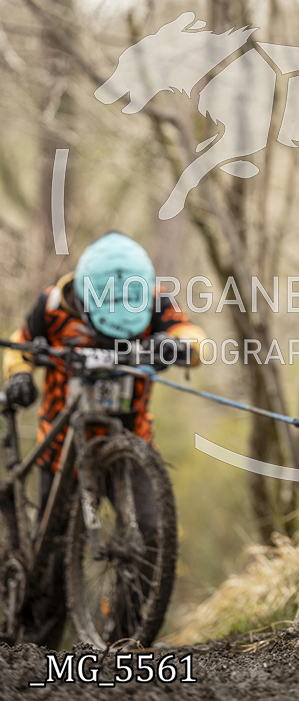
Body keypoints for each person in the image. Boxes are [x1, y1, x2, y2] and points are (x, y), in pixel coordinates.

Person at [1, 231, 206, 645]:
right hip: (61, 447)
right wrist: (20, 375)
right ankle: (34, 651)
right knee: (52, 554)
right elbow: (18, 347)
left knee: (151, 534)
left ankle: (122, 640)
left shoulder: (155, 299)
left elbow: (194, 337)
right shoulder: (53, 305)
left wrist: (174, 346)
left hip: (130, 440)